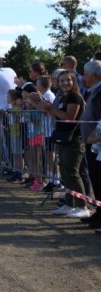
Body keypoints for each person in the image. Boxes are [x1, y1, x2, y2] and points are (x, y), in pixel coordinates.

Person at [38, 70, 89, 218]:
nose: (65, 83)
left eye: (68, 80)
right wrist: (43, 107)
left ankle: (83, 206)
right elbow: (55, 113)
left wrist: (51, 109)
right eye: (62, 81)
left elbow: (69, 117)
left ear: (73, 81)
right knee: (65, 172)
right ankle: (69, 204)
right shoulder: (62, 96)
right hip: (62, 138)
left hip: (74, 139)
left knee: (72, 172)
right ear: (57, 83)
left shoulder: (74, 97)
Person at [80, 60, 101, 230]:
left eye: (86, 74)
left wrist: (94, 138)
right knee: (95, 177)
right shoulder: (94, 90)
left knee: (99, 178)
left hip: (97, 144)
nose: (84, 78)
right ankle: (99, 212)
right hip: (91, 142)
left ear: (93, 76)